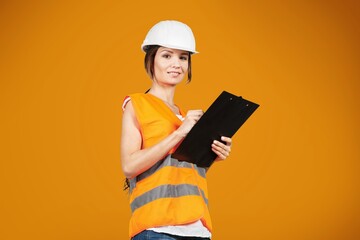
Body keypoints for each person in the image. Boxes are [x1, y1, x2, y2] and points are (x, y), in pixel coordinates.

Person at [120, 20, 232, 240]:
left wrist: (212, 154)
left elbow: (174, 170)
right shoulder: (137, 105)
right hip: (158, 230)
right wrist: (180, 133)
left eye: (183, 57)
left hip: (197, 228)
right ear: (151, 59)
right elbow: (129, 165)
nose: (176, 64)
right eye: (167, 55)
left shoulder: (183, 116)